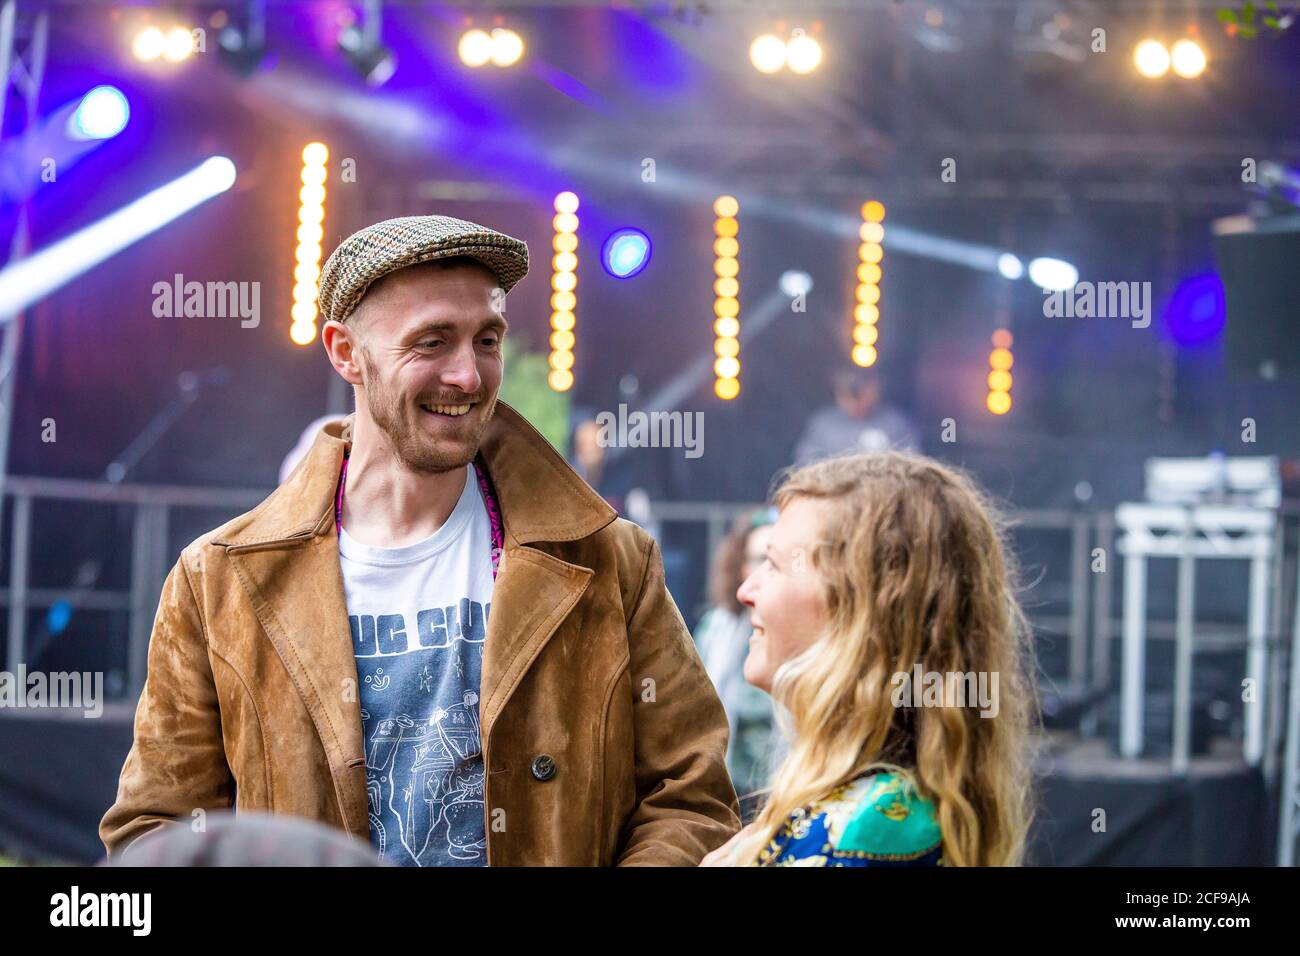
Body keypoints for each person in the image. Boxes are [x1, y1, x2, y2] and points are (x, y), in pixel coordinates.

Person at [101, 214, 740, 867]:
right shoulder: (218, 581)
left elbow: (690, 799)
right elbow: (159, 830)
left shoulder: (608, 557)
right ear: (346, 352)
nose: (468, 375)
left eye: (486, 340)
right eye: (432, 342)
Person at [701, 451, 1037, 866]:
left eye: (773, 564)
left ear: (860, 614)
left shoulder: (866, 831)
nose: (746, 590)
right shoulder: (867, 809)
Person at [693, 508, 779, 799]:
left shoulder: (808, 632)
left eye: (776, 562)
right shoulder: (715, 631)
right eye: (759, 560)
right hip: (726, 795)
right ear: (740, 566)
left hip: (784, 794)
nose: (766, 572)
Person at [792, 363, 919, 466]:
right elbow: (806, 465)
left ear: (877, 386)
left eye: (863, 390)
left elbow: (913, 465)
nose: (856, 400)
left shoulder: (896, 423)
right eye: (846, 393)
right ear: (837, 391)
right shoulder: (823, 424)